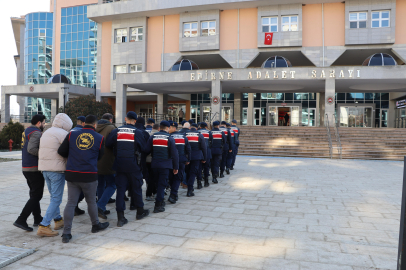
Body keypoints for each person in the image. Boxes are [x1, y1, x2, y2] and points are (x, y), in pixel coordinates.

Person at [58, 115, 109, 243]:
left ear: (84, 123)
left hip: (72, 173)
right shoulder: (99, 138)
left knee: (71, 202)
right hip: (89, 174)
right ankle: (95, 225)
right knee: (91, 201)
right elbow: (100, 156)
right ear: (95, 125)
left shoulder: (72, 134)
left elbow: (61, 151)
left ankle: (66, 233)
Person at [106, 111, 149, 227]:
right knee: (136, 188)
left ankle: (120, 217)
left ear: (125, 119)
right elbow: (144, 148)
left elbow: (108, 144)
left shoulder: (116, 131)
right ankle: (140, 211)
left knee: (120, 190)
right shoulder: (137, 132)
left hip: (119, 164)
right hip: (133, 165)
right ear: (135, 121)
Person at [36, 113, 72, 237]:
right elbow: (68, 151)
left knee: (53, 197)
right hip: (57, 170)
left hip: (44, 169)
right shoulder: (63, 134)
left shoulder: (47, 132)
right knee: (56, 198)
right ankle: (44, 225)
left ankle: (58, 220)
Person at [13, 114, 46, 232]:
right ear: (39, 123)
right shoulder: (36, 132)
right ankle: (21, 219)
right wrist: (44, 155)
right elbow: (31, 149)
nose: (44, 124)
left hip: (26, 167)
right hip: (33, 168)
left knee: (34, 194)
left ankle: (37, 218)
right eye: (44, 122)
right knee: (37, 195)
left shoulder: (26, 130)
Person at [145, 121, 179, 213]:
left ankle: (160, 200)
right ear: (167, 128)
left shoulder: (153, 137)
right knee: (162, 184)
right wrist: (176, 167)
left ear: (160, 128)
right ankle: (158, 205)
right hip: (165, 165)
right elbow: (174, 154)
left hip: (155, 164)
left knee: (157, 183)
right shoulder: (169, 138)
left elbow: (146, 150)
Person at [96, 113, 117, 219]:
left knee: (100, 184)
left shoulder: (95, 127)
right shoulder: (111, 128)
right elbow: (114, 143)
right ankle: (100, 205)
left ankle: (101, 208)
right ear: (110, 119)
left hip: (96, 160)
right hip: (108, 160)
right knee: (112, 184)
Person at [168, 122, 191, 203]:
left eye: (169, 127)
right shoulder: (184, 137)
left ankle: (173, 194)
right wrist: (188, 159)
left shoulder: (168, 137)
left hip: (170, 160)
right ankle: (173, 194)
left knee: (171, 177)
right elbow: (188, 149)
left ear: (174, 128)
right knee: (177, 178)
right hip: (181, 160)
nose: (168, 129)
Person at [132, 117, 150, 210]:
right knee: (138, 180)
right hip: (141, 160)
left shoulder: (131, 131)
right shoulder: (144, 133)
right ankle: (136, 203)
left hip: (128, 159)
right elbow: (145, 148)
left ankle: (131, 199)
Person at [185, 123, 206, 197]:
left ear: (190, 127)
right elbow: (203, 147)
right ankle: (190, 190)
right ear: (197, 128)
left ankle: (188, 186)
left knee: (187, 172)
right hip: (196, 157)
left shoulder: (185, 134)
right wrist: (204, 158)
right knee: (193, 173)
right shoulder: (199, 135)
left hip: (187, 156)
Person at [70, 115, 86, 216]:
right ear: (84, 123)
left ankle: (74, 206)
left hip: (71, 164)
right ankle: (75, 205)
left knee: (75, 188)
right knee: (85, 188)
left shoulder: (70, 131)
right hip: (83, 164)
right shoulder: (84, 133)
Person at [145, 123, 160, 201]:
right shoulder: (157, 136)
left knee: (150, 177)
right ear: (158, 129)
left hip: (147, 160)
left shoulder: (148, 134)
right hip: (154, 160)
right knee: (154, 178)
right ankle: (150, 193)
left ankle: (153, 192)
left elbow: (146, 149)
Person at [197, 122, 212, 188]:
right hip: (207, 150)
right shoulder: (209, 132)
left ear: (200, 126)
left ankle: (199, 183)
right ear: (206, 126)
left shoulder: (197, 132)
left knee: (199, 168)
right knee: (206, 167)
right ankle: (206, 182)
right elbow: (211, 141)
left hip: (199, 151)